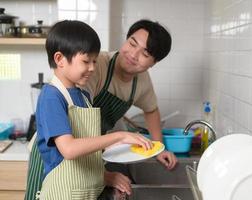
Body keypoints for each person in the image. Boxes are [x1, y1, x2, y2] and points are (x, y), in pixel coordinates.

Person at [33, 20, 152, 200]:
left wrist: (107, 172)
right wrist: (120, 136)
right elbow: (69, 149)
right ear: (60, 59)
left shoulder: (83, 95)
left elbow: (89, 150)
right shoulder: (52, 96)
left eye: (95, 61)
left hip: (87, 192)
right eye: (86, 61)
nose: (92, 68)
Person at [84, 19, 178, 195]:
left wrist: (158, 148)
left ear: (153, 63)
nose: (133, 55)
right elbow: (74, 132)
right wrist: (104, 176)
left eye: (145, 54)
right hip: (61, 154)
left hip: (91, 153)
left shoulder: (141, 81)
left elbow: (151, 110)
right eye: (132, 43)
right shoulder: (96, 67)